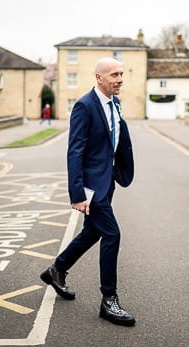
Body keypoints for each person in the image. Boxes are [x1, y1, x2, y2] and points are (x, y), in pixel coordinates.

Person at [40, 57, 136, 326]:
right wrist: (78, 193)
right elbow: (75, 151)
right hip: (92, 187)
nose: (119, 79)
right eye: (114, 74)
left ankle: (56, 269)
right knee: (112, 234)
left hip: (108, 181)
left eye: (121, 73)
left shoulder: (114, 102)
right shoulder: (84, 105)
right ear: (99, 78)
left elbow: (113, 140)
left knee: (93, 232)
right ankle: (109, 300)